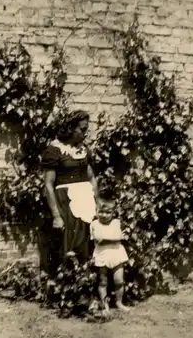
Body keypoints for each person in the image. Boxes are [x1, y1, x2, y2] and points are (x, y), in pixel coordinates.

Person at [39, 110, 97, 283]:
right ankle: (64, 288)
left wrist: (96, 204)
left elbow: (92, 177)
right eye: (82, 129)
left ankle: (84, 285)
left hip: (85, 202)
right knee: (65, 243)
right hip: (66, 202)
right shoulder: (54, 150)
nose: (85, 133)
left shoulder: (84, 150)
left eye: (86, 129)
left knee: (85, 242)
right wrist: (56, 215)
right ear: (71, 128)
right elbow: (48, 184)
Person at [90, 185, 130, 315]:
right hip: (102, 255)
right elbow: (97, 240)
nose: (104, 215)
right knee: (103, 282)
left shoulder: (117, 223)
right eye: (101, 212)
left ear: (113, 212)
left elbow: (121, 237)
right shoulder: (94, 224)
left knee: (119, 280)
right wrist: (114, 238)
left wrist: (110, 238)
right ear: (96, 211)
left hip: (116, 254)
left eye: (108, 213)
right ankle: (104, 305)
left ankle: (119, 302)